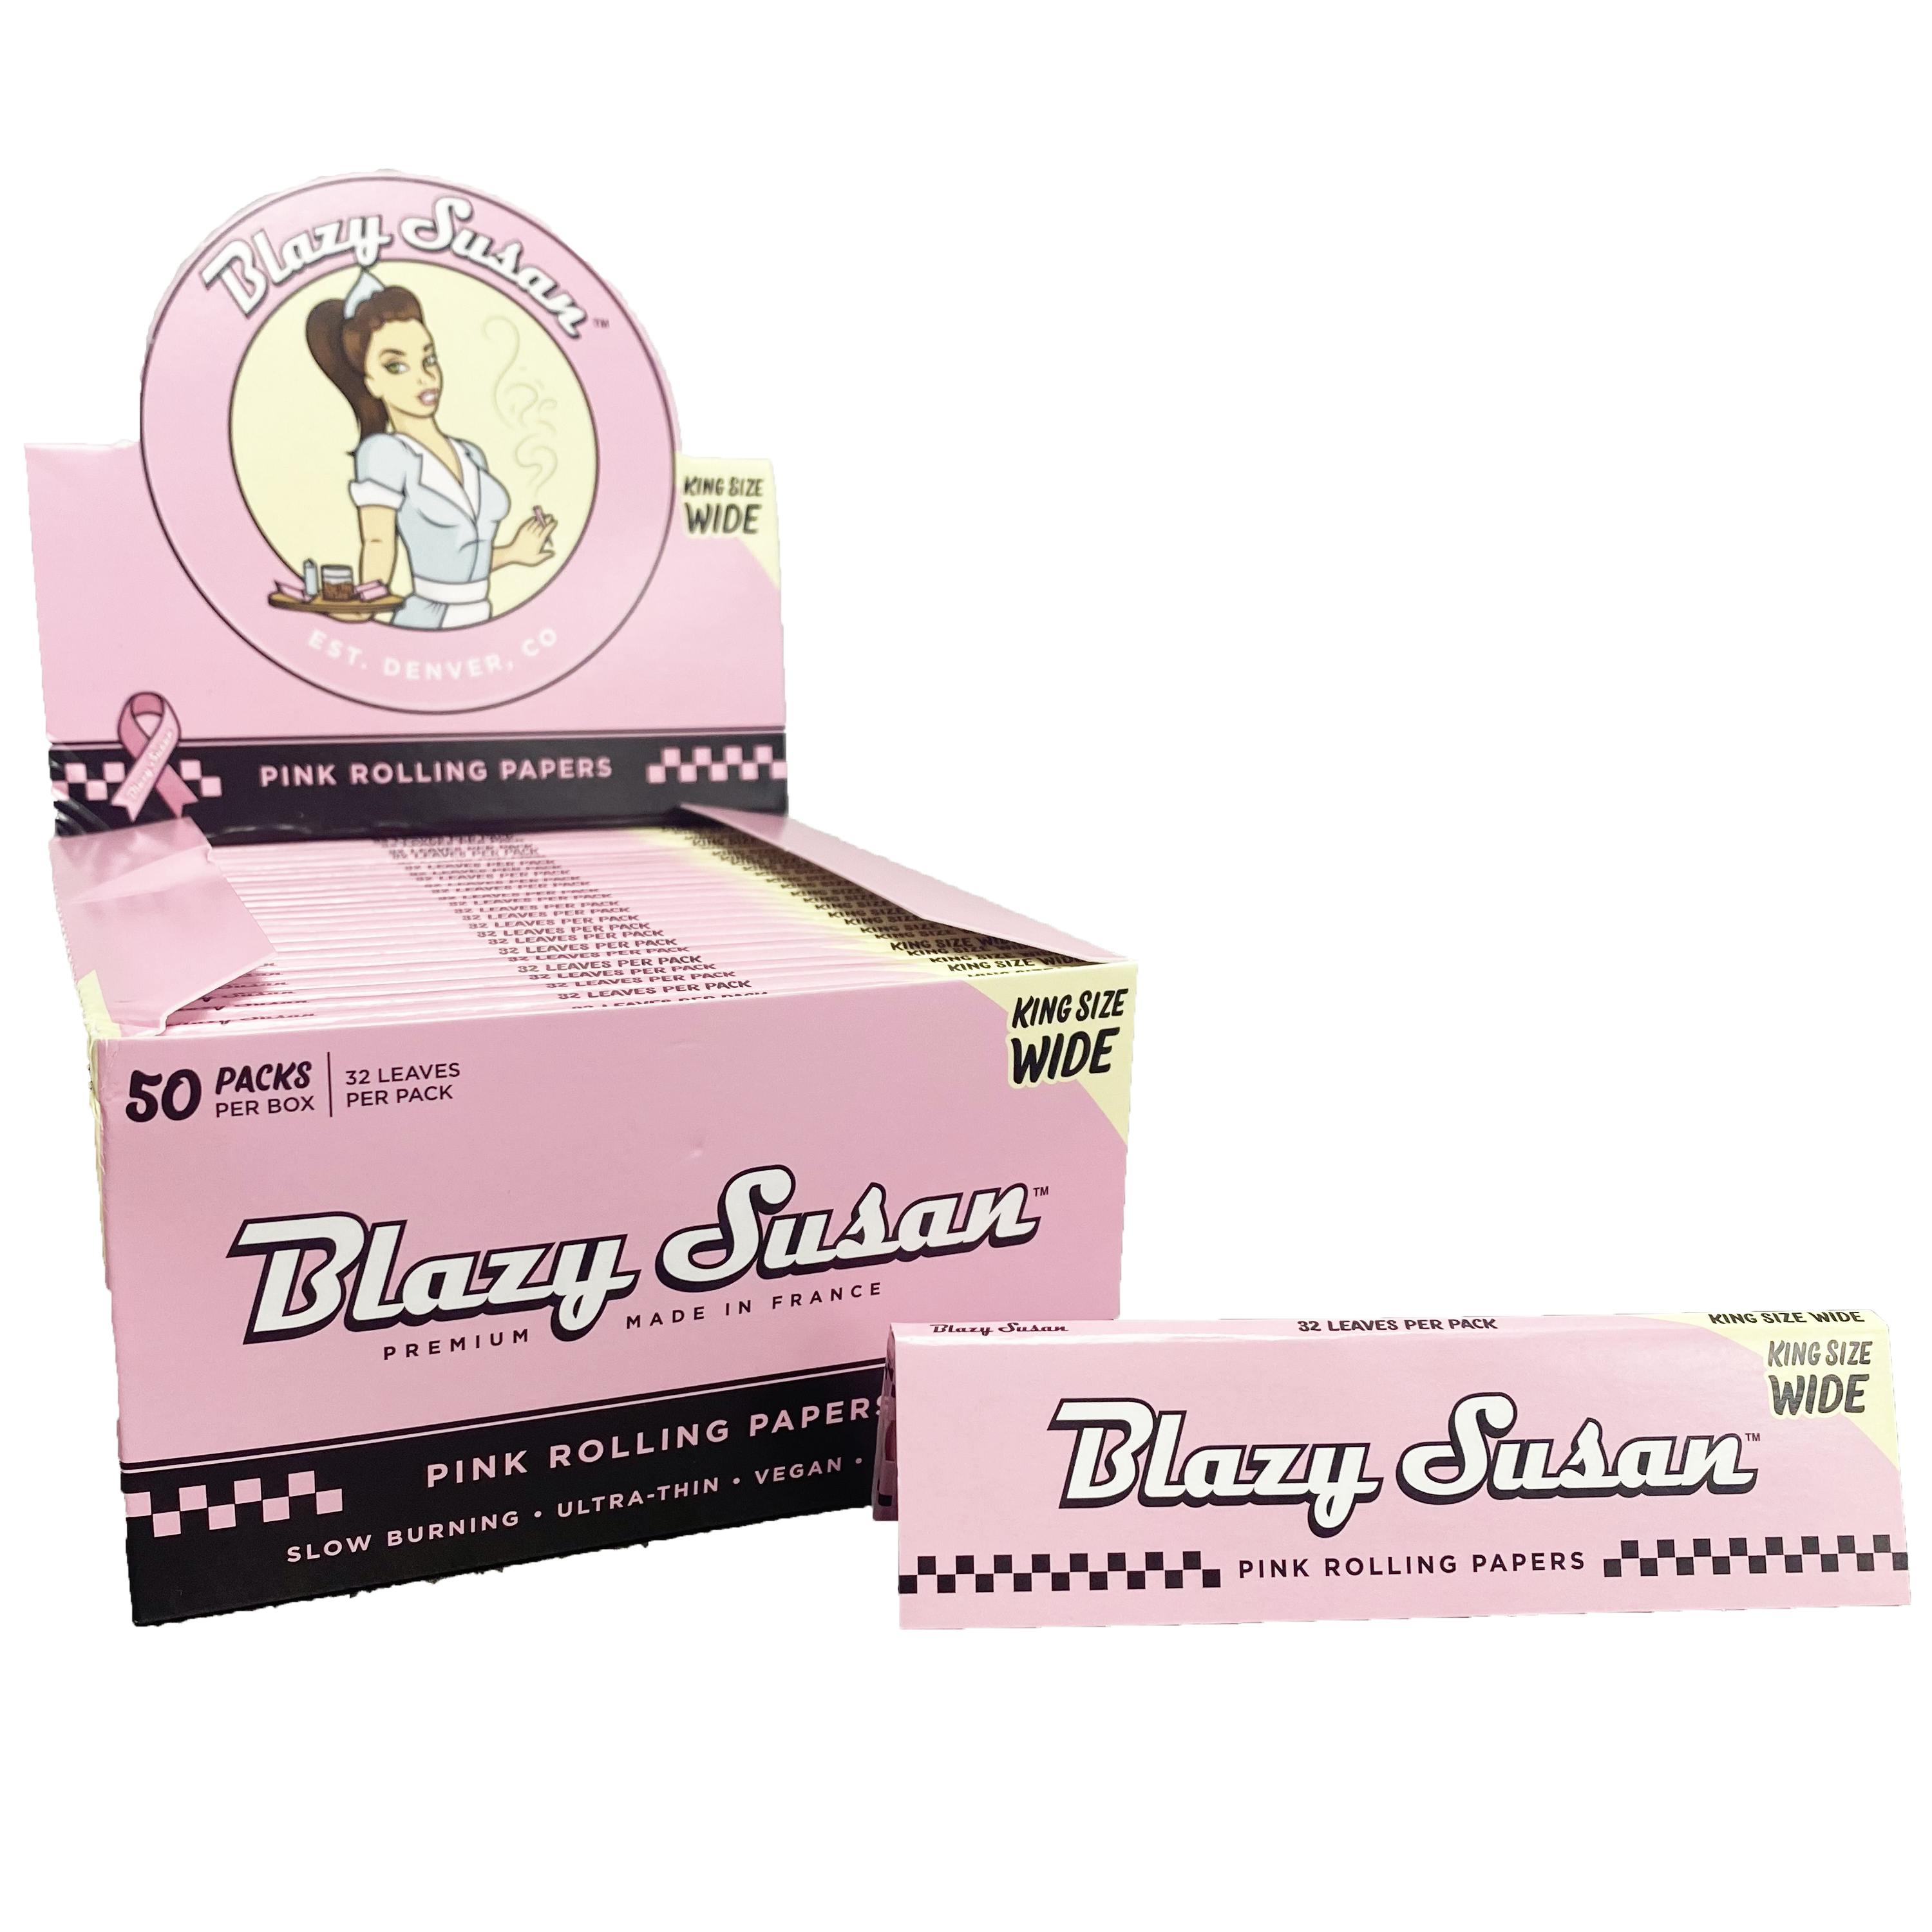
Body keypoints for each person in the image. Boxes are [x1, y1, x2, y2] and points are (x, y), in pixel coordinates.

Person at [304, 270, 556, 629]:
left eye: (429, 359)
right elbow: (378, 541)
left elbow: (461, 561)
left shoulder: (470, 455)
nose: (424, 377)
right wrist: (362, 605)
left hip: (481, 619)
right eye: (397, 366)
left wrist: (515, 553)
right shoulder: (384, 454)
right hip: (428, 621)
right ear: (371, 382)